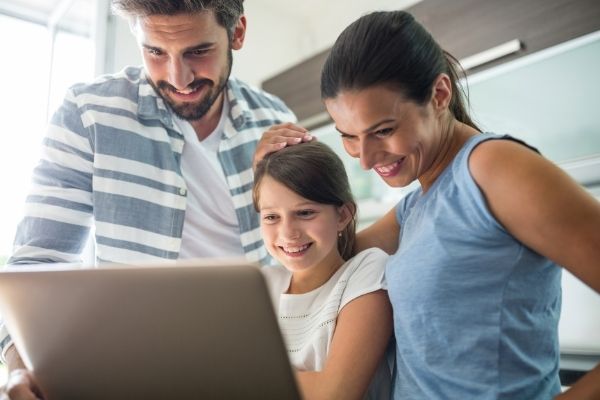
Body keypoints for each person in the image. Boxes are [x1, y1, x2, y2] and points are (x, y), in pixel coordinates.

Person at [258, 9, 600, 400]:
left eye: (383, 130)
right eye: (349, 137)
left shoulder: (494, 168)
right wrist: (272, 176)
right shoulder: (415, 207)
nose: (366, 160)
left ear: (439, 94)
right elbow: (325, 253)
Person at [0, 0, 310, 397]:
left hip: (253, 371)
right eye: (155, 52)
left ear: (237, 33)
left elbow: (308, 254)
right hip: (126, 376)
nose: (178, 77)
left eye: (198, 51)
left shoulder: (276, 119)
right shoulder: (89, 113)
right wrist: (19, 369)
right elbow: (35, 267)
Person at [254, 141, 393, 400]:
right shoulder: (261, 285)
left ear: (343, 215)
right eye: (272, 217)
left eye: (305, 213)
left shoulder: (366, 272)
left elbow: (334, 393)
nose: (288, 233)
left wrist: (244, 375)